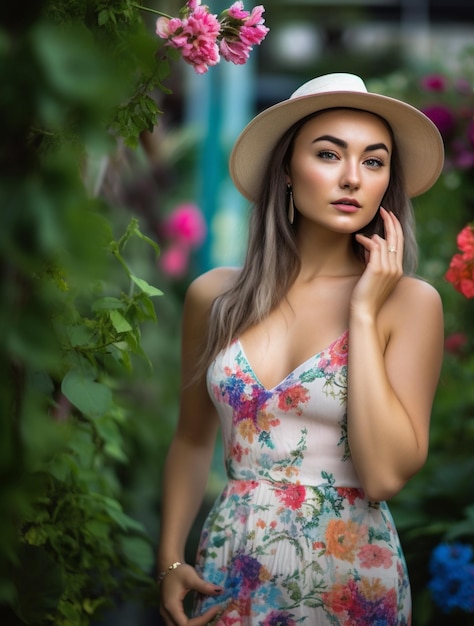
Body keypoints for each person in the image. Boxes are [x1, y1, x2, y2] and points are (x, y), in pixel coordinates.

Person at [157, 73, 445, 626]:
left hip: (350, 580)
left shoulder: (409, 304)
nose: (352, 179)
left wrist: (363, 312)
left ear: (389, 182)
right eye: (329, 154)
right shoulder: (214, 297)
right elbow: (190, 440)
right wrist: (170, 559)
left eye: (374, 161)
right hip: (230, 566)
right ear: (287, 168)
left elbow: (384, 476)